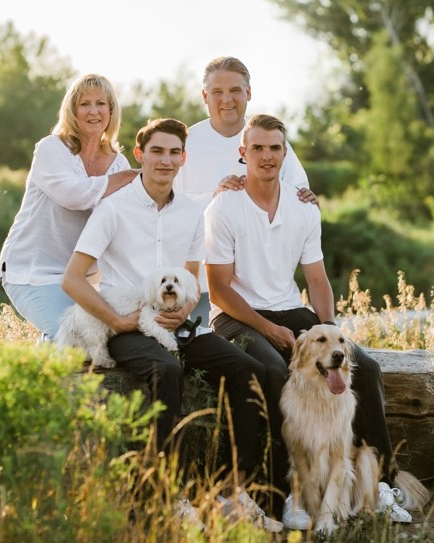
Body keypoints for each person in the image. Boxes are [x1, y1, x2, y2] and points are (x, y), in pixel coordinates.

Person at [61, 118, 284, 532]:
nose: (166, 160)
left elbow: (191, 278)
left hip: (175, 323)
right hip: (123, 323)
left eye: (174, 152)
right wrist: (116, 320)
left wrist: (184, 311)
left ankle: (232, 493)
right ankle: (165, 497)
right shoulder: (114, 209)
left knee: (250, 370)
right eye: (157, 152)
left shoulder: (191, 213)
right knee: (167, 369)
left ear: (184, 158)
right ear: (141, 155)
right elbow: (72, 278)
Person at [204, 114, 413, 528]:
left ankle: (382, 484)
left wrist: (331, 338)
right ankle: (290, 497)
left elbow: (316, 279)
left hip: (288, 308)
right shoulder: (223, 207)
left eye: (275, 148)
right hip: (234, 316)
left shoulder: (302, 209)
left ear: (285, 153)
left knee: (365, 367)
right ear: (243, 154)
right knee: (271, 368)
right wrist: (267, 329)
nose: (267, 156)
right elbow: (219, 291)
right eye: (258, 148)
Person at [174, 56, 318, 327]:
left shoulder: (264, 137)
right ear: (205, 96)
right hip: (196, 286)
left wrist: (306, 198)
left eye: (235, 90)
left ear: (249, 93)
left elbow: (297, 194)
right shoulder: (186, 144)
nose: (226, 99)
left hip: (260, 291)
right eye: (217, 92)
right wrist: (214, 197)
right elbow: (165, 205)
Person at [0, 74, 136, 341]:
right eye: (85, 104)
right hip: (32, 269)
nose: (93, 111)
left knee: (93, 338)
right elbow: (73, 196)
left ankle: (34, 376)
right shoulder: (52, 149)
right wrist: (127, 178)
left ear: (111, 110)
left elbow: (126, 219)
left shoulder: (119, 162)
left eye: (101, 104)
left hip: (80, 278)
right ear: (72, 110)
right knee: (69, 336)